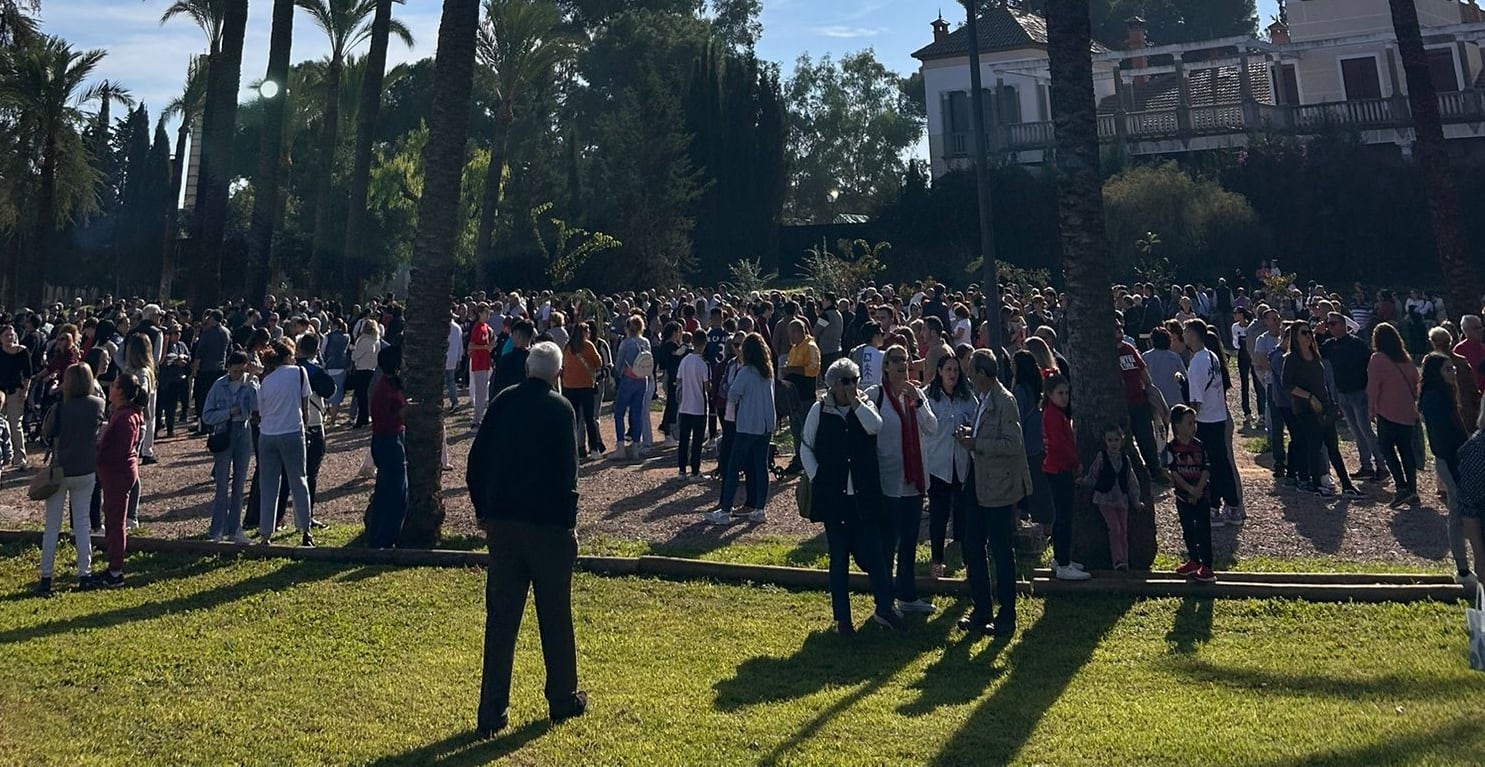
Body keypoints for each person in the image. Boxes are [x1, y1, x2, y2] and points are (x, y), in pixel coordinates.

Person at [469, 341, 586, 736]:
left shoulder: (502, 403)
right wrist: (569, 525)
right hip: (547, 527)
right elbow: (568, 476)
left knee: (501, 620)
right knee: (555, 615)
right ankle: (562, 697)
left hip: (503, 523)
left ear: (526, 368)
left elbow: (476, 461)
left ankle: (491, 710)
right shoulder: (561, 410)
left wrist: (483, 510)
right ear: (557, 374)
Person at [799, 357, 903, 634]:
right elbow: (806, 446)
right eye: (846, 381)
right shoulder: (818, 411)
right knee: (838, 558)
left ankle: (885, 608)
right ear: (833, 384)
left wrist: (856, 403)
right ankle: (842, 619)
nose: (851, 386)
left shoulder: (865, 406)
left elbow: (875, 426)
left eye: (855, 380)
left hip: (864, 495)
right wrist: (817, 475)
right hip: (835, 498)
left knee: (875, 555)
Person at [957, 348, 1028, 637]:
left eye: (972, 372)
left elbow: (1013, 444)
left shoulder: (1004, 401)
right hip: (977, 481)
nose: (969, 377)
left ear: (984, 375)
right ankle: (981, 608)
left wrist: (978, 443)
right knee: (972, 546)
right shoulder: (983, 399)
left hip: (999, 486)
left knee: (1000, 550)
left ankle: (1007, 614)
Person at [864, 344, 939, 614]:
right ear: (885, 366)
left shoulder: (916, 394)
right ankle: (883, 601)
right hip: (888, 482)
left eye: (905, 361)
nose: (901, 365)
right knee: (887, 543)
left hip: (913, 482)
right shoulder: (876, 395)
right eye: (895, 360)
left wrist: (917, 402)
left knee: (909, 542)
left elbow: (932, 427)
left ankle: (907, 596)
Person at [36, 363, 105, 594]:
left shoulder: (59, 408)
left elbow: (47, 434)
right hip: (86, 469)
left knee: (52, 526)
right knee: (83, 524)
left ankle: (46, 577)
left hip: (61, 469)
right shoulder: (98, 404)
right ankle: (84, 574)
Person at [705, 333, 776, 525]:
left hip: (746, 426)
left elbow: (733, 394)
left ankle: (725, 509)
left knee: (733, 467)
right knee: (761, 467)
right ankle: (760, 509)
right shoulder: (767, 372)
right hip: (765, 425)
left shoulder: (746, 372)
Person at [1418, 353, 1477, 585]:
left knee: (1461, 513)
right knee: (1457, 515)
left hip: (1458, 459)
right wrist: (1458, 463)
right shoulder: (1434, 399)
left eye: (1453, 368)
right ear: (1436, 374)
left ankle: (1467, 566)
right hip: (1451, 461)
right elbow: (1443, 437)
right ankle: (1463, 570)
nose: (1453, 372)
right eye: (1447, 369)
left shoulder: (1445, 395)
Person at [255, 339, 315, 547]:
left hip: (268, 434)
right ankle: (305, 529)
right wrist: (305, 428)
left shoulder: (267, 381)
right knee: (299, 480)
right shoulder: (298, 373)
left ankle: (265, 533)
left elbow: (261, 412)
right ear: (289, 356)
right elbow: (305, 405)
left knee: (269, 483)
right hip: (291, 430)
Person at [922, 352, 977, 580]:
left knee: (963, 516)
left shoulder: (967, 397)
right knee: (938, 516)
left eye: (956, 370)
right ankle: (937, 561)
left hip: (961, 465)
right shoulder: (928, 397)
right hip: (938, 465)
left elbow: (976, 421)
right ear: (939, 372)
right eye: (948, 370)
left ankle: (968, 562)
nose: (952, 374)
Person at [1185, 320, 1243, 524]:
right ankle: (1231, 505)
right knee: (1221, 463)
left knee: (1209, 467)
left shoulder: (1196, 363)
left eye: (1186, 332)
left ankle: (1214, 507)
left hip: (1205, 420)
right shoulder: (1213, 357)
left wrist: (1189, 425)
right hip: (1218, 416)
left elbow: (1195, 400)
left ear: (1193, 335)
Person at [97, 372, 148, 588]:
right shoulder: (124, 413)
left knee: (116, 522)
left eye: (115, 385)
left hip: (117, 474)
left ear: (121, 392)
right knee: (112, 519)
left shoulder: (125, 418)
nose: (110, 388)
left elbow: (118, 449)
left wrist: (97, 451)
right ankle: (112, 566)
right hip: (118, 473)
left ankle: (116, 571)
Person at [202, 351, 257, 544]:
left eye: (242, 371)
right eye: (235, 371)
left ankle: (235, 529)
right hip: (224, 432)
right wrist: (228, 413)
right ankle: (217, 530)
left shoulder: (250, 383)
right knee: (222, 484)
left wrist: (250, 383)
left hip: (244, 432)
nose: (238, 374)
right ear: (228, 368)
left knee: (239, 484)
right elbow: (207, 415)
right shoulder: (219, 385)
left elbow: (257, 408)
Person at [1321, 311, 1384, 480]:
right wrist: (1317, 332)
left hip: (1359, 392)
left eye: (1333, 324)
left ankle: (1382, 466)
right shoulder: (1329, 345)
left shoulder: (1357, 344)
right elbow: (1314, 352)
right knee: (1356, 432)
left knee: (1366, 431)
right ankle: (1366, 466)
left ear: (1344, 325)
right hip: (1343, 393)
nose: (1330, 328)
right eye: (1329, 325)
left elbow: (1370, 366)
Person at [1368, 322, 1420, 507]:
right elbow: (1416, 383)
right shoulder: (1406, 360)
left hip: (1387, 412)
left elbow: (1373, 386)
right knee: (1407, 451)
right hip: (1406, 413)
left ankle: (1401, 486)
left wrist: (1371, 409)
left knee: (1387, 449)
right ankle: (1412, 489)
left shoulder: (1378, 359)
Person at [1041, 373, 1087, 580]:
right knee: (1063, 518)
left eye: (1066, 393)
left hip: (1057, 468)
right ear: (1049, 394)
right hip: (1059, 469)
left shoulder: (1056, 413)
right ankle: (1063, 563)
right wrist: (1075, 462)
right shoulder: (1052, 415)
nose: (1065, 397)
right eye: (1060, 393)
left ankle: (1061, 558)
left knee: (1061, 516)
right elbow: (1060, 444)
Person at [1164, 404, 1217, 582]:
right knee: (1188, 530)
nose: (1193, 427)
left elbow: (1206, 468)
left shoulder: (1200, 446)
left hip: (1202, 496)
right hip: (1183, 496)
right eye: (1189, 423)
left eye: (1194, 423)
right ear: (1177, 425)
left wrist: (1198, 489)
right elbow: (1173, 472)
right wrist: (1189, 489)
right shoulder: (1171, 448)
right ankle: (1193, 560)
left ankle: (1207, 566)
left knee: (1203, 530)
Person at [1079, 425, 1142, 570]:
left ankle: (1125, 560)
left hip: (1122, 499)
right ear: (1105, 441)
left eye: (1116, 440)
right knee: (1114, 528)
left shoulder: (1125, 460)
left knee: (1123, 531)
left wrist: (1136, 500)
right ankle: (1117, 560)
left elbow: (1132, 481)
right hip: (1104, 498)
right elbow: (1093, 475)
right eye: (1110, 440)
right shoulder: (1102, 457)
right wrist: (1083, 481)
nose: (1113, 443)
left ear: (1122, 441)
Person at [366, 346, 408, 549]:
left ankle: (386, 536)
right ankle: (385, 538)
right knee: (394, 491)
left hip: (391, 437)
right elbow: (384, 417)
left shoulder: (389, 383)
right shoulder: (384, 386)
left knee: (392, 489)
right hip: (389, 438)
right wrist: (406, 412)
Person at [781, 319, 821, 474]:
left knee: (807, 431)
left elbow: (814, 369)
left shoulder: (810, 347)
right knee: (796, 431)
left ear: (799, 332)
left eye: (791, 333)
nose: (789, 337)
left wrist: (791, 370)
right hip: (793, 397)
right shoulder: (794, 348)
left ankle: (810, 461)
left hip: (805, 397)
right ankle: (799, 459)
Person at [561, 322, 606, 461]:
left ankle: (571, 448)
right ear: (584, 333)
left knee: (573, 418)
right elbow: (598, 363)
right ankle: (594, 448)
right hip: (586, 385)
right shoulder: (588, 346)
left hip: (569, 386)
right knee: (589, 419)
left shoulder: (568, 347)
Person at [611, 315, 651, 460]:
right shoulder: (645, 342)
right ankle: (636, 447)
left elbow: (619, 364)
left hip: (628, 379)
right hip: (642, 380)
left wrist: (617, 375)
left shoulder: (625, 343)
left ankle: (620, 446)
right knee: (636, 413)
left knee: (619, 412)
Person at [675, 331, 709, 479]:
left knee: (683, 440)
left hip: (684, 406)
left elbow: (679, 380)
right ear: (704, 345)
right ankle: (695, 470)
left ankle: (682, 470)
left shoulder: (684, 361)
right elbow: (706, 387)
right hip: (699, 406)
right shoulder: (703, 364)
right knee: (697, 441)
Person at [0, 324, 34, 470]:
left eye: (11, 334)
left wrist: (25, 391)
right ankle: (5, 455)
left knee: (15, 423)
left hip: (16, 391)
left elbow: (28, 374)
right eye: (6, 335)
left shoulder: (22, 351)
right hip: (1, 392)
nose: (9, 337)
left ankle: (20, 458)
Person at [348, 319, 382, 429]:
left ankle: (361, 419)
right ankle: (364, 417)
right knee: (364, 394)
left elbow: (355, 356)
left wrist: (353, 350)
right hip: (371, 369)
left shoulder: (364, 340)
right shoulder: (376, 341)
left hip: (361, 369)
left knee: (360, 395)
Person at [468, 304, 495, 431]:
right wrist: (486, 348)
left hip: (485, 362)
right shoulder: (477, 327)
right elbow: (471, 346)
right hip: (478, 363)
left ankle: (479, 418)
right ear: (480, 313)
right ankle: (475, 421)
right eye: (486, 312)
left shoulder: (486, 327)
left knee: (483, 393)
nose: (488, 315)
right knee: (480, 393)